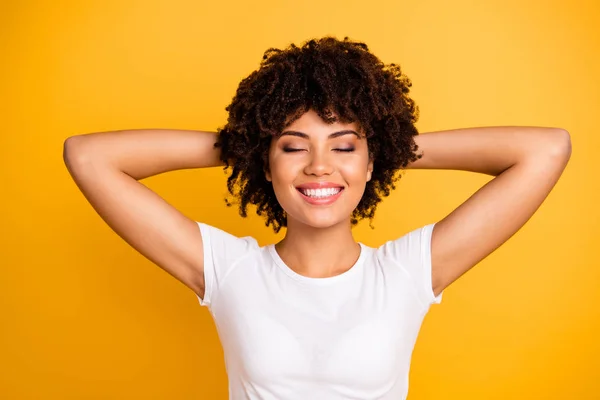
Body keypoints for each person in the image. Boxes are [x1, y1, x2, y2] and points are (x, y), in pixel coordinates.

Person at [63, 37, 571, 399]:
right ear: (267, 162)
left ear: (371, 162)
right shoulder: (227, 269)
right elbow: (88, 157)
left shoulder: (408, 272)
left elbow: (547, 149)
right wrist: (250, 141)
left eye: (344, 146)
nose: (320, 166)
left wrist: (384, 144)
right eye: (294, 147)